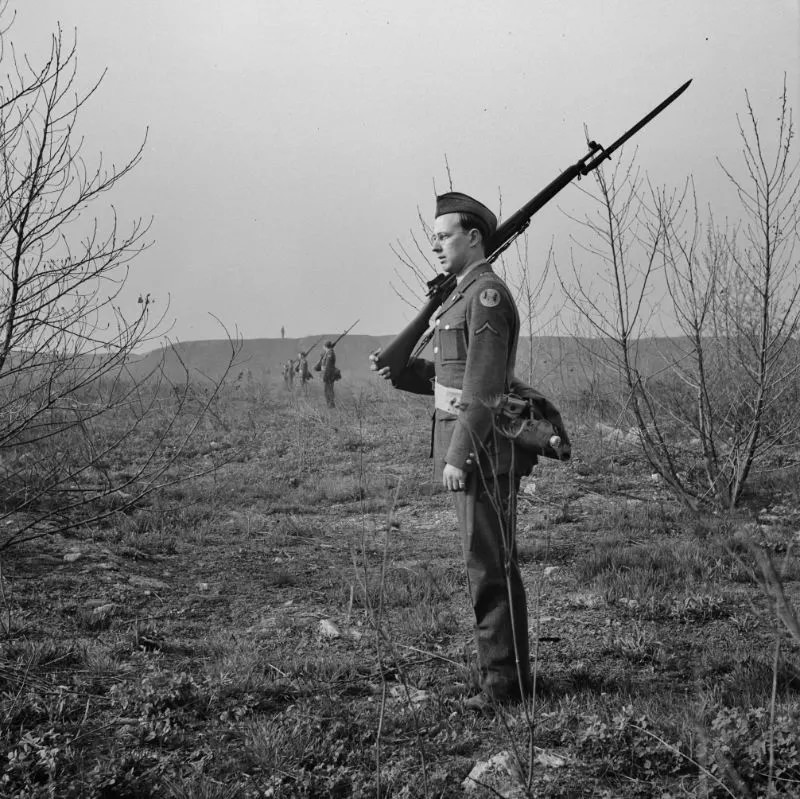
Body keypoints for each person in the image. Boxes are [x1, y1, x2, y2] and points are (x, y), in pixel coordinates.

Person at [370, 191, 548, 711]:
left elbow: (485, 388)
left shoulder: (486, 296)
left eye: (444, 236)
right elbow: (451, 379)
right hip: (475, 448)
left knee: (488, 566)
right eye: (435, 238)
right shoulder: (458, 296)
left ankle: (502, 686)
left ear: (474, 239)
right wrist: (402, 369)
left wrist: (458, 455)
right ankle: (507, 677)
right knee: (488, 561)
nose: (436, 247)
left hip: (484, 452)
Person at [318, 341, 338, 408]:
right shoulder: (328, 353)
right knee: (327, 390)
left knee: (328, 390)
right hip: (327, 374)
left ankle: (331, 405)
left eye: (324, 346)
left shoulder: (330, 353)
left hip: (329, 374)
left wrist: (325, 375)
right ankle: (330, 404)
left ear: (325, 346)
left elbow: (328, 365)